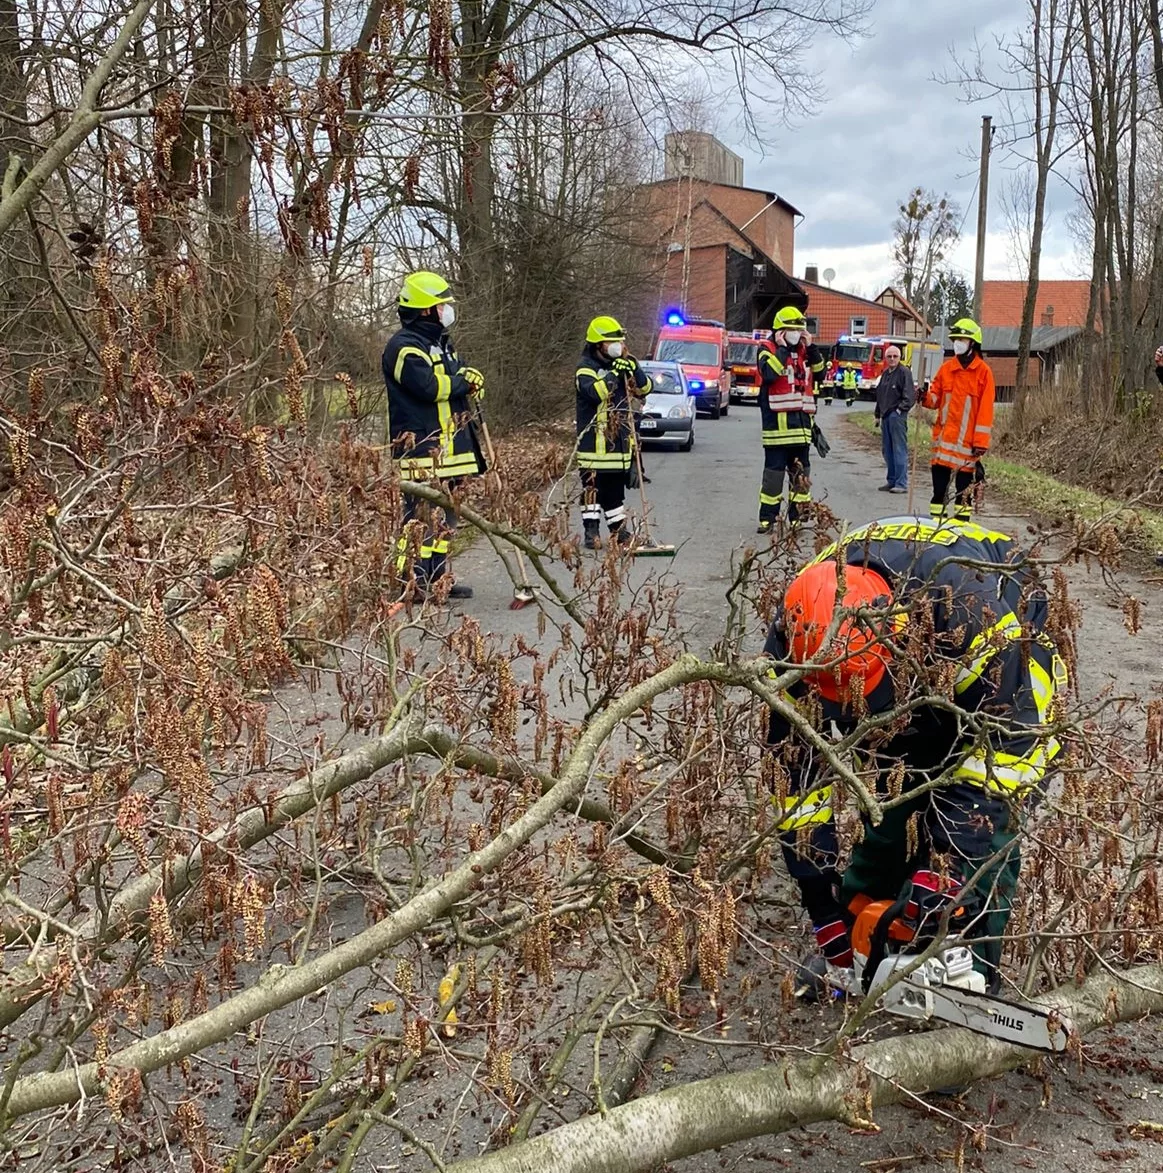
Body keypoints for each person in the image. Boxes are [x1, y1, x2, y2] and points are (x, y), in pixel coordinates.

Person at [764, 515, 1068, 997]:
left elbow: (1009, 746)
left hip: (1004, 681)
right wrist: (821, 905)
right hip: (921, 671)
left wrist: (947, 868)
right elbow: (793, 771)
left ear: (900, 636)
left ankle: (968, 987)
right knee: (891, 809)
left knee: (981, 838)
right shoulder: (800, 627)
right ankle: (863, 945)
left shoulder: (976, 621)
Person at [383, 270, 485, 601]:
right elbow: (427, 386)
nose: (447, 310)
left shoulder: (442, 343)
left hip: (453, 449)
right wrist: (462, 381)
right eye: (442, 305)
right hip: (422, 449)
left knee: (446, 519)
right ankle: (408, 581)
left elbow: (458, 374)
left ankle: (439, 577)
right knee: (418, 520)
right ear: (427, 309)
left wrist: (470, 376)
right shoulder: (402, 348)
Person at [576, 316, 652, 549]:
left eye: (619, 341)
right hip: (593, 445)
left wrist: (634, 368)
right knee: (592, 489)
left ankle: (618, 531)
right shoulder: (585, 369)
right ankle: (591, 532)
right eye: (612, 342)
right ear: (598, 344)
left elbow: (645, 389)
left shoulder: (624, 364)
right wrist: (613, 375)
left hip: (618, 444)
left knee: (615, 491)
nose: (617, 346)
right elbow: (595, 393)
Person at [756, 306, 826, 534]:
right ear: (779, 331)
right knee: (773, 479)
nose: (796, 333)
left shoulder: (806, 350)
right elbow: (768, 374)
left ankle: (798, 517)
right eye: (791, 329)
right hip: (777, 430)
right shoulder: (767, 349)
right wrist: (783, 350)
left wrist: (812, 346)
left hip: (802, 429)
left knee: (801, 477)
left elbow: (820, 373)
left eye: (799, 329)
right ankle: (768, 518)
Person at [921, 318, 994, 522]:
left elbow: (985, 411)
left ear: (972, 343)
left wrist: (980, 443)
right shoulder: (947, 369)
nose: (957, 343)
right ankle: (936, 528)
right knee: (938, 493)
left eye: (961, 339)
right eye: (955, 339)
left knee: (963, 495)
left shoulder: (983, 373)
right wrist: (923, 397)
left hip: (967, 446)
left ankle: (960, 532)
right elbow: (935, 399)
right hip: (943, 443)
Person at [874, 345, 915, 494]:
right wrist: (877, 415)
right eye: (889, 356)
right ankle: (891, 480)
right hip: (885, 416)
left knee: (899, 449)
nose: (892, 359)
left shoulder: (904, 373)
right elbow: (880, 395)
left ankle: (901, 483)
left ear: (899, 357)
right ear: (885, 358)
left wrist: (900, 410)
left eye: (895, 356)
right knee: (887, 450)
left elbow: (910, 395)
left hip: (897, 416)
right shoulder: (885, 374)